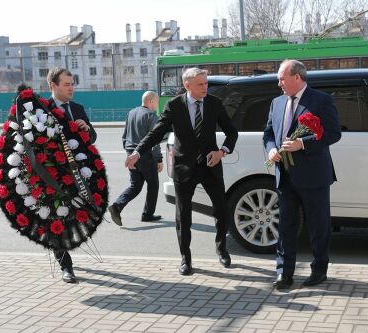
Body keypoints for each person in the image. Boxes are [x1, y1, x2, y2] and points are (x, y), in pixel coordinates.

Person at [125, 68, 238, 275]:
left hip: (211, 165)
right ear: (187, 85)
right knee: (183, 215)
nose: (205, 87)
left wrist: (222, 152)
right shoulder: (174, 105)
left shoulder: (214, 103)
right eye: (200, 84)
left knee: (221, 209)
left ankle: (221, 248)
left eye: (206, 83)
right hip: (183, 167)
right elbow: (156, 132)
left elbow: (232, 132)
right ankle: (185, 258)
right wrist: (137, 152)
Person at [263, 60, 341, 290]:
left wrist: (302, 144)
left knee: (318, 225)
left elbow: (333, 134)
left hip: (314, 175)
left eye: (281, 78)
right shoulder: (276, 103)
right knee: (286, 225)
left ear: (297, 77)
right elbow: (268, 133)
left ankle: (319, 270)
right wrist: (271, 149)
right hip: (284, 175)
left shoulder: (321, 100)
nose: (278, 83)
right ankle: (284, 273)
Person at [47, 67, 97, 283]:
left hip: (77, 175)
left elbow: (92, 137)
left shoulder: (77, 108)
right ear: (53, 86)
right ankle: (66, 265)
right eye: (66, 84)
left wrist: (86, 129)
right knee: (57, 219)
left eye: (72, 83)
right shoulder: (42, 110)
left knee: (72, 219)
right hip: (52, 176)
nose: (71, 88)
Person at [108, 91, 163, 226]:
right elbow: (154, 140)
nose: (157, 104)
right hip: (146, 156)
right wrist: (159, 159)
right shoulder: (151, 116)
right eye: (156, 101)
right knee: (153, 185)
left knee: (135, 186)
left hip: (132, 155)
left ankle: (117, 206)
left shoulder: (131, 113)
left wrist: (128, 154)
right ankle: (147, 214)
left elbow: (125, 135)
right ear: (151, 101)